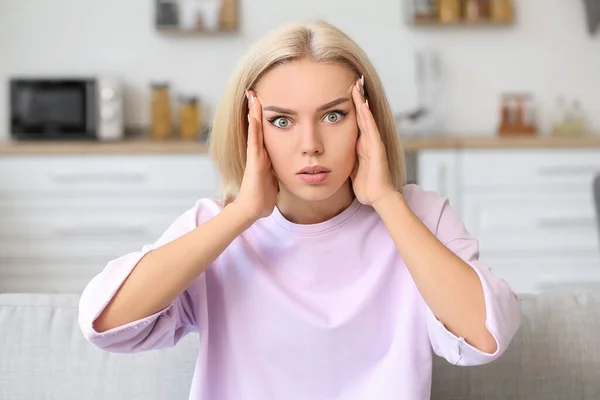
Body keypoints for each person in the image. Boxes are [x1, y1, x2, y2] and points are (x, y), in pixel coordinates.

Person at [78, 19, 521, 399]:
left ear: (367, 120)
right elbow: (107, 325)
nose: (310, 145)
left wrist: (387, 200)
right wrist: (243, 213)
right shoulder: (217, 227)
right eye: (281, 121)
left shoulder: (420, 217)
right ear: (251, 129)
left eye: (333, 115)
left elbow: (484, 336)